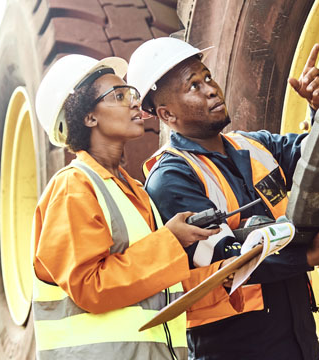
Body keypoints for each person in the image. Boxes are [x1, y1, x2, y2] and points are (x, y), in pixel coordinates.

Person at [127, 37, 319, 360]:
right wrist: (311, 256)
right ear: (167, 114)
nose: (211, 89)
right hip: (234, 350)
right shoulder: (171, 178)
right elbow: (225, 261)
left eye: (207, 77)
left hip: (297, 342)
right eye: (193, 86)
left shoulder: (254, 147)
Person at [31, 54, 245, 360]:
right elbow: (91, 287)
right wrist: (171, 241)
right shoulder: (73, 188)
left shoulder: (134, 191)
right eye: (119, 96)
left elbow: (152, 287)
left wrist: (221, 277)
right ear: (88, 117)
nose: (134, 102)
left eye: (130, 93)